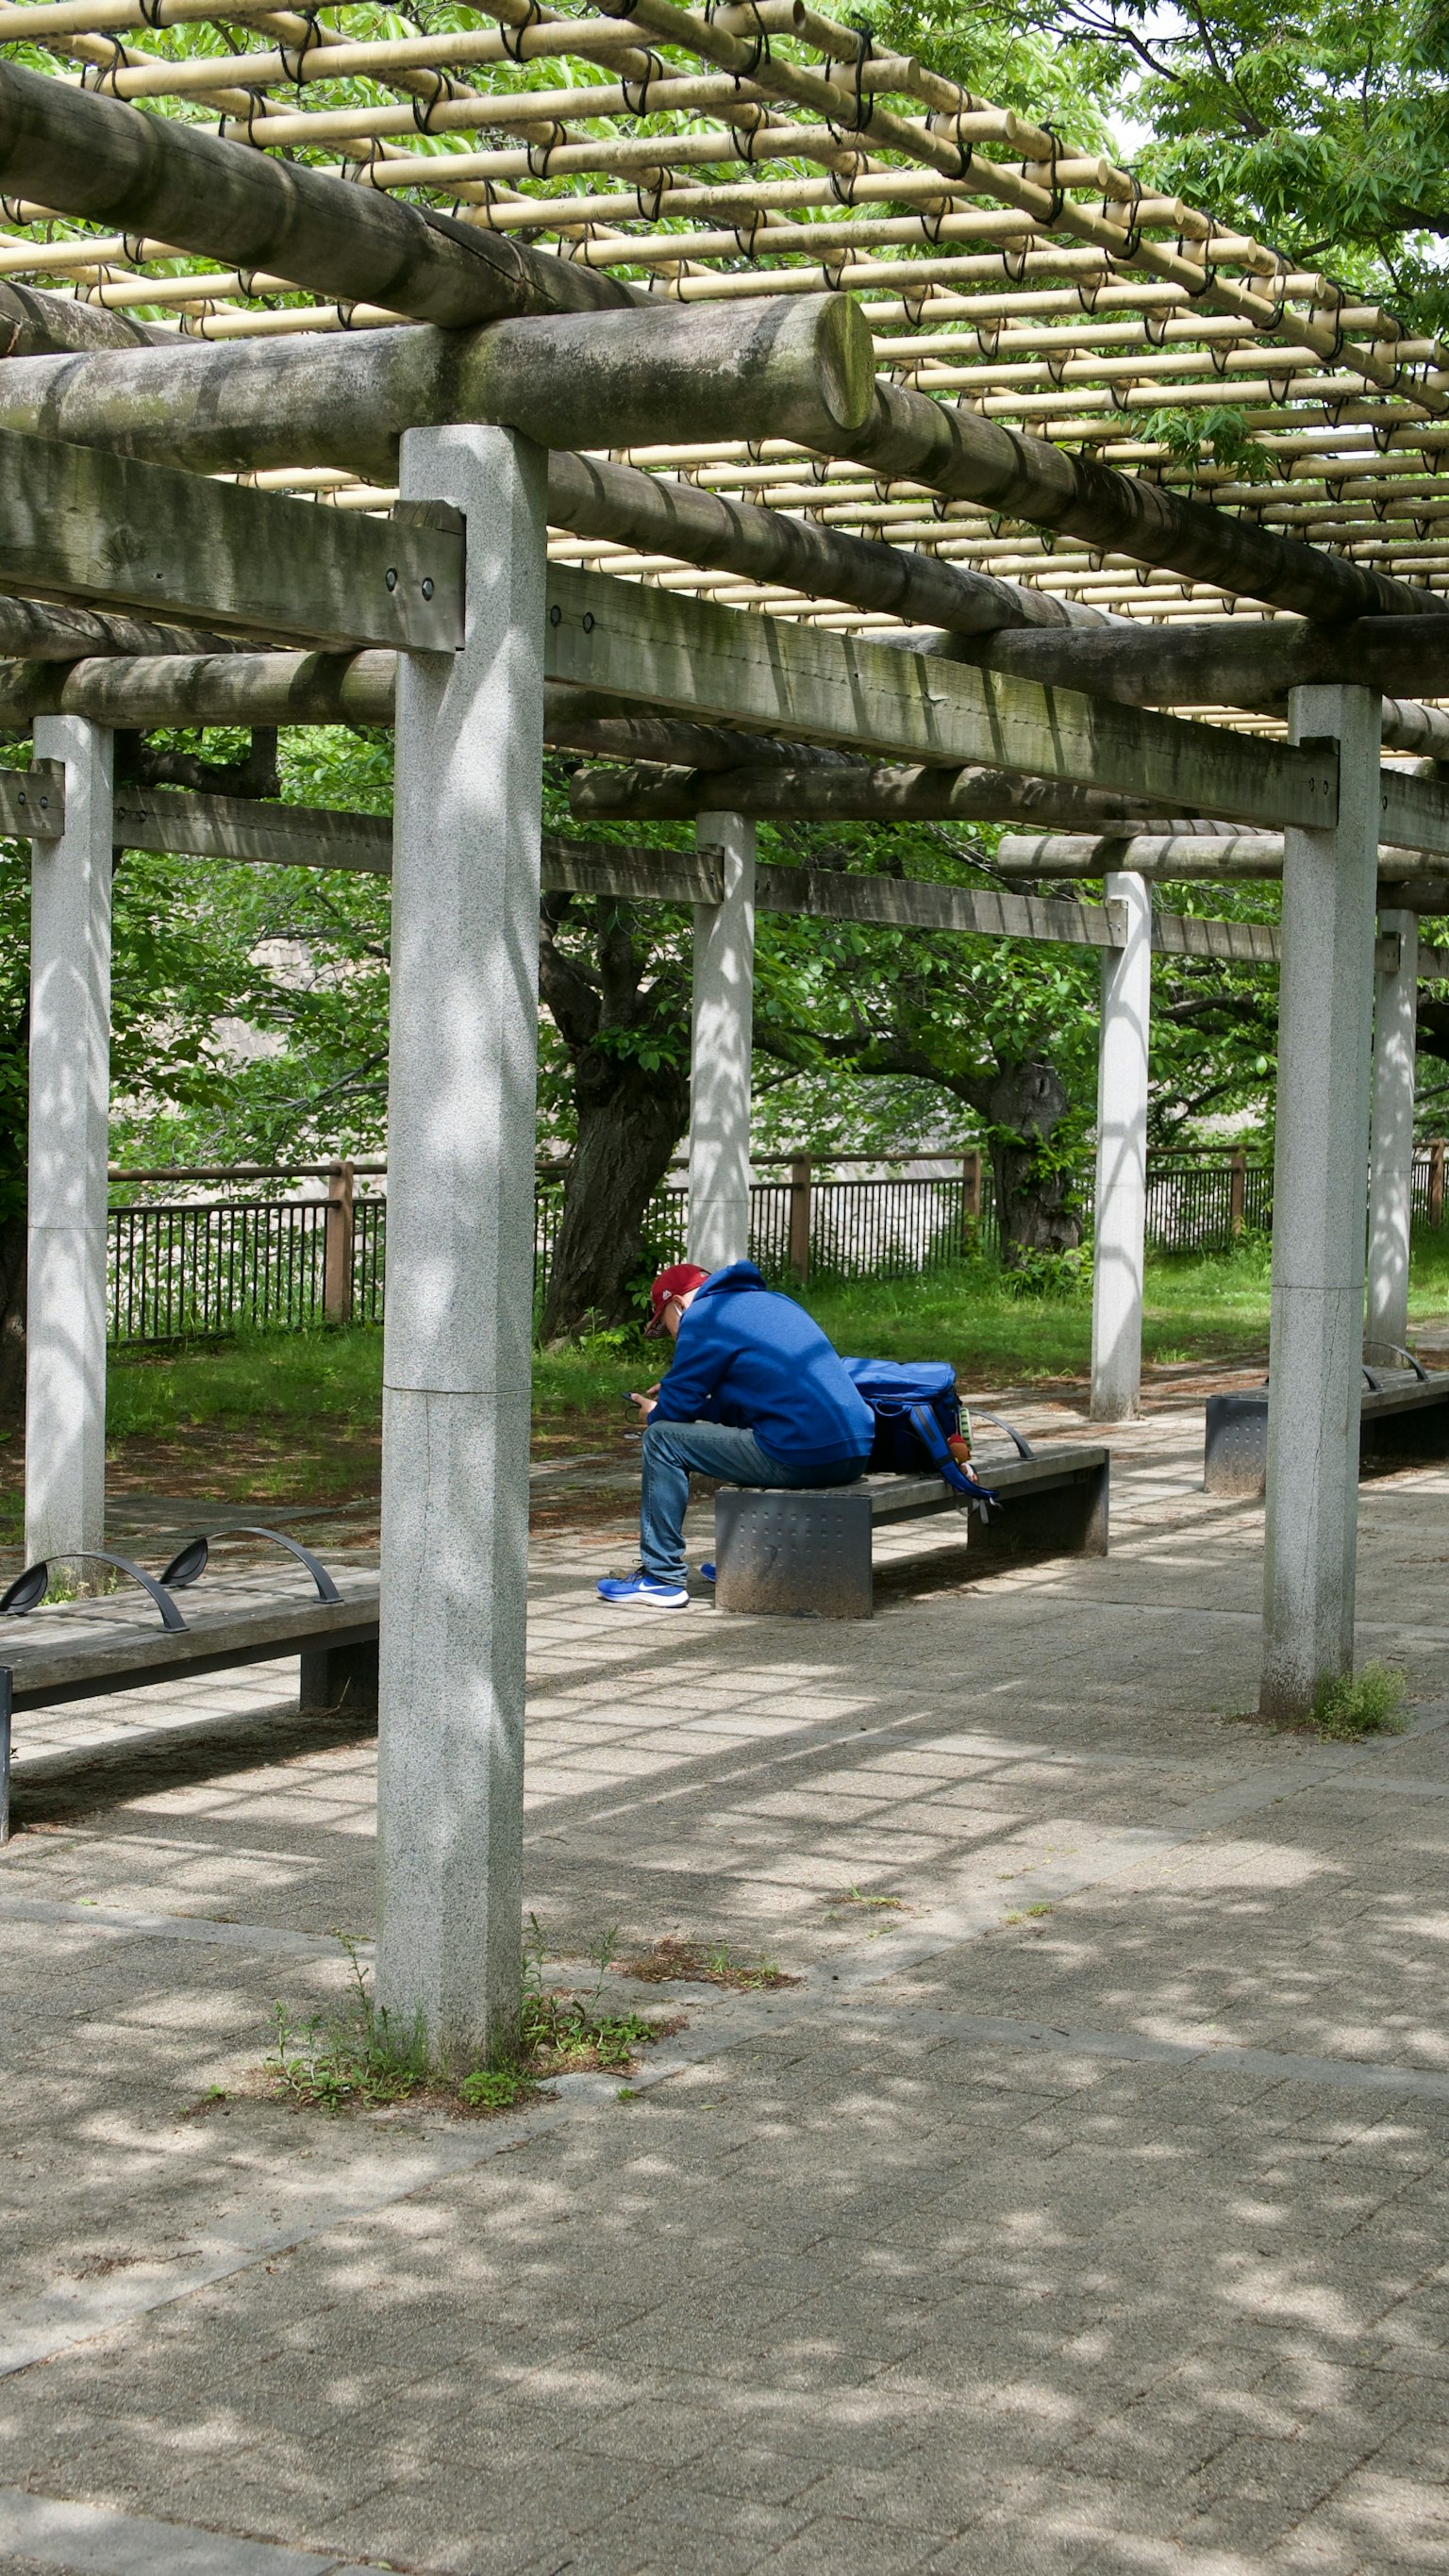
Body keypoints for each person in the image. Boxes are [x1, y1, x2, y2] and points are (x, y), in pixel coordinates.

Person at [597, 1259, 875, 1609]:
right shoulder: (774, 1302)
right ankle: (747, 1559)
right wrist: (682, 1397)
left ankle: (661, 1577)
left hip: (802, 1454)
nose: (669, 1337)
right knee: (745, 1433)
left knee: (661, 1440)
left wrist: (658, 1411)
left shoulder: (704, 1317)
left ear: (678, 1305)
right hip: (855, 1453)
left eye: (663, 1326)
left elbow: (674, 1415)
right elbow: (745, 1402)